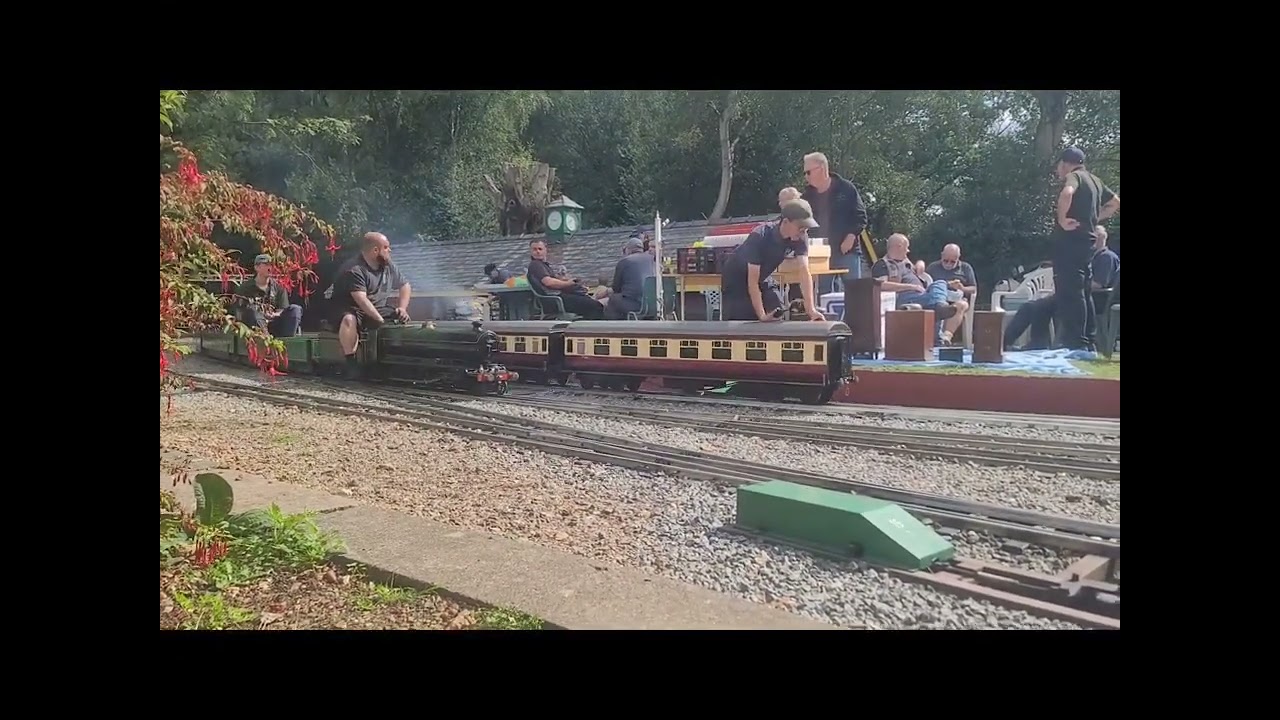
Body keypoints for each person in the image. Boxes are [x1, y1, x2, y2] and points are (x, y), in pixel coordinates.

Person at [1052, 147, 1120, 359]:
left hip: (1072, 241)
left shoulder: (1075, 176)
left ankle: (1076, 342)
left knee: (1071, 289)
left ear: (1065, 163)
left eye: (1058, 167)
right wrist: (1094, 219)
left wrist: (1062, 220)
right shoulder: (1096, 180)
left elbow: (1067, 193)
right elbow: (1116, 202)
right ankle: (1088, 340)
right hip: (1088, 241)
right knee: (1083, 289)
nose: (1058, 171)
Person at [720, 199, 825, 322]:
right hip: (736, 279)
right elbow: (752, 282)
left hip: (763, 278)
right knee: (745, 321)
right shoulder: (760, 236)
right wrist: (762, 316)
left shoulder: (800, 237)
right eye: (801, 228)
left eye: (806, 229)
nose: (803, 232)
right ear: (785, 222)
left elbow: (804, 271)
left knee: (776, 312)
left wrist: (811, 310)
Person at [330, 232, 412, 375]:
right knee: (349, 320)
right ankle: (351, 362)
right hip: (350, 308)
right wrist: (380, 320)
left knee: (399, 318)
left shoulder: (388, 266)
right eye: (386, 247)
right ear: (375, 250)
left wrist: (402, 308)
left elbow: (405, 285)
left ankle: (397, 358)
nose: (390, 250)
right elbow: (362, 300)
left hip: (376, 307)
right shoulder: (355, 269)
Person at [871, 233, 969, 345]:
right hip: (902, 297)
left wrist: (920, 264)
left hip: (921, 295)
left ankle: (939, 307)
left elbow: (921, 267)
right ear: (898, 246)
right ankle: (938, 326)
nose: (908, 250)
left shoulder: (906, 263)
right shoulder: (883, 264)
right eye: (906, 247)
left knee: (940, 283)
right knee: (936, 302)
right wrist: (911, 287)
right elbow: (881, 285)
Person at [800, 152, 868, 293]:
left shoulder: (846, 188)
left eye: (808, 172)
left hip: (847, 251)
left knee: (854, 292)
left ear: (822, 168)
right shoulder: (807, 196)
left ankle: (855, 316)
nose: (806, 177)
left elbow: (860, 216)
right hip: (820, 255)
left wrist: (850, 236)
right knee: (823, 293)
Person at [525, 239, 605, 319]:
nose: (538, 251)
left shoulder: (543, 265)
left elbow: (553, 281)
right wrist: (569, 283)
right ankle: (587, 329)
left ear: (545, 250)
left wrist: (565, 280)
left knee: (590, 302)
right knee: (596, 306)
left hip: (557, 298)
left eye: (540, 249)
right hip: (555, 301)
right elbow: (549, 282)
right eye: (535, 249)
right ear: (531, 251)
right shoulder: (535, 265)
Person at [235, 254, 303, 337]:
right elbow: (239, 312)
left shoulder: (279, 287)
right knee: (253, 311)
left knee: (295, 309)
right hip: (255, 327)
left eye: (271, 265)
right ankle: (265, 341)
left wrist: (275, 314)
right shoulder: (245, 288)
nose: (270, 268)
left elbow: (283, 309)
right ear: (257, 268)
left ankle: (288, 342)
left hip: (275, 324)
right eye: (266, 265)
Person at [602, 236, 657, 319]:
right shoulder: (652, 260)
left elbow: (616, 288)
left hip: (635, 304)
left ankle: (616, 329)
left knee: (613, 300)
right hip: (653, 303)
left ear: (628, 249)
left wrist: (606, 292)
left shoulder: (624, 261)